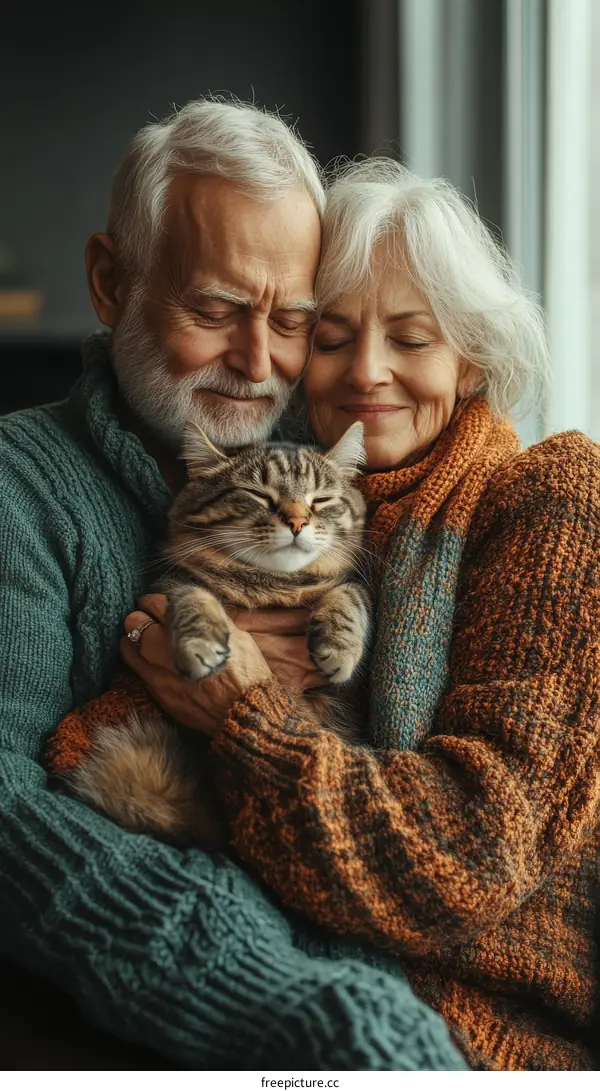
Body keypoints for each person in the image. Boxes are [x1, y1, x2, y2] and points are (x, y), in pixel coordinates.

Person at [0, 101, 465, 1070]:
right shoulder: (18, 488)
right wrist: (293, 1003)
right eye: (214, 311)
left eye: (292, 320)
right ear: (110, 281)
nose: (260, 365)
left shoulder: (339, 463)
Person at [113, 158, 600, 1071]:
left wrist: (241, 717)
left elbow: (474, 852)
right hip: (292, 986)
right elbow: (118, 728)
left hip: (484, 1035)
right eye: (331, 336)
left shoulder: (554, 496)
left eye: (411, 339)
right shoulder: (280, 504)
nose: (367, 371)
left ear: (474, 358)